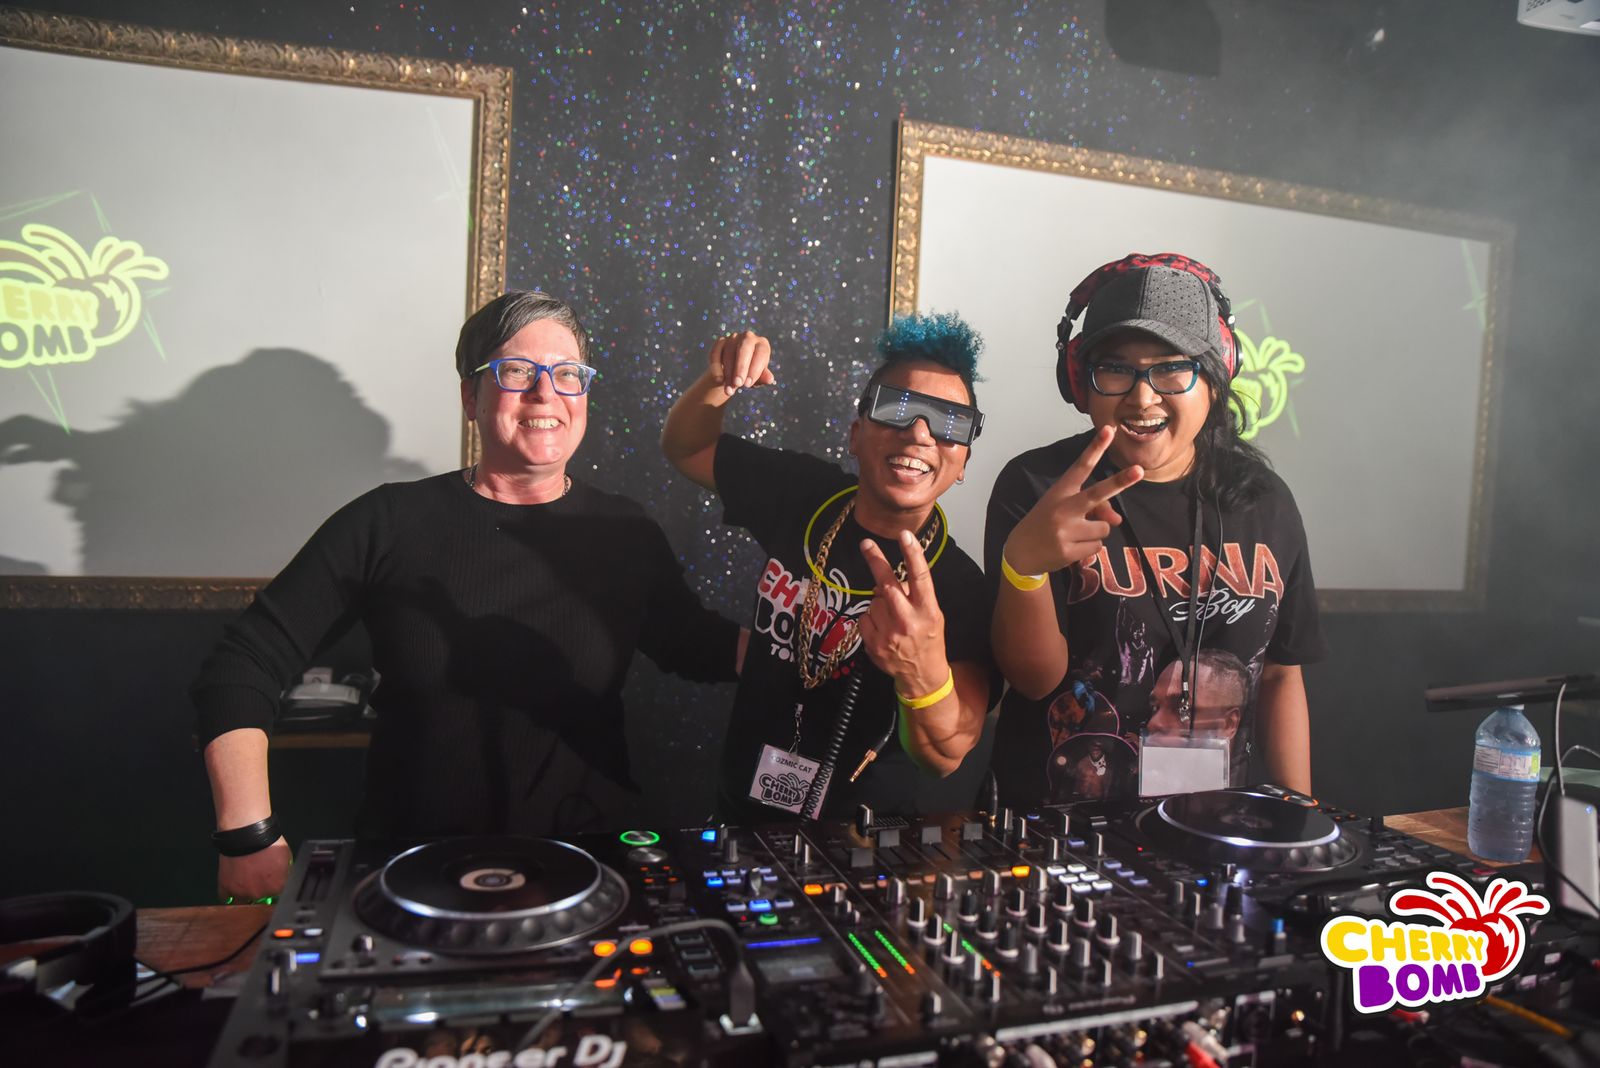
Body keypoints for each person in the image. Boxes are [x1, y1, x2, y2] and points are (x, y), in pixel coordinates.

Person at [194, 291, 741, 901]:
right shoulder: (389, 522)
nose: (545, 394)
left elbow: (696, 643)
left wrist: (811, 641)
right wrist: (247, 836)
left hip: (587, 875)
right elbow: (243, 662)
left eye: (567, 374)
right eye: (516, 372)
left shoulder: (624, 530)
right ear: (469, 398)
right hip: (411, 881)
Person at [986, 253, 1327, 808]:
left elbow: (1280, 678)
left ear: (1216, 377)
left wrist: (1301, 817)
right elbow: (1033, 681)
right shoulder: (1038, 486)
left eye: (1172, 368)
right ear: (1082, 383)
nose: (1142, 397)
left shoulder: (1265, 502)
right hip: (1062, 827)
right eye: (1116, 369)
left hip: (1210, 824)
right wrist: (1023, 567)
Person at [661, 315, 995, 822]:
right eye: (897, 408)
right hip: (738, 816)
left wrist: (922, 671)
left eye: (950, 423)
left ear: (964, 460)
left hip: (863, 839)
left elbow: (945, 757)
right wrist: (719, 380)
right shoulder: (802, 494)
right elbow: (686, 447)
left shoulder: (963, 587)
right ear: (856, 434)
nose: (919, 433)